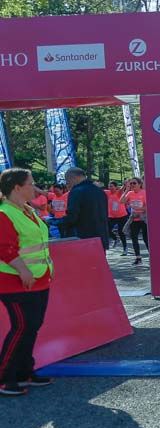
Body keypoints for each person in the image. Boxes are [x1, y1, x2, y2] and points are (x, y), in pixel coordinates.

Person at [0, 168, 54, 396]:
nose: (36, 187)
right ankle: (4, 378)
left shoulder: (27, 211)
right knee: (23, 326)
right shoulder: (4, 213)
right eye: (31, 183)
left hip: (38, 278)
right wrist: (23, 271)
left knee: (31, 327)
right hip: (15, 281)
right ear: (17, 187)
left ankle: (24, 373)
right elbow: (5, 248)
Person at [60, 167, 110, 250]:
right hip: (101, 237)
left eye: (67, 181)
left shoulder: (76, 191)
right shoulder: (100, 191)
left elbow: (72, 216)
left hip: (83, 239)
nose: (67, 184)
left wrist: (59, 222)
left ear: (73, 178)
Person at [121, 178, 148, 265]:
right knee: (134, 238)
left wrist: (139, 210)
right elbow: (121, 201)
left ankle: (153, 256)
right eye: (131, 183)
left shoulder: (144, 192)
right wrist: (127, 190)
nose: (132, 185)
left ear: (140, 184)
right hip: (134, 219)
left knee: (146, 239)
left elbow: (149, 206)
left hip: (144, 219)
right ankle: (138, 258)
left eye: (134, 183)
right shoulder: (130, 193)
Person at [106, 181, 129, 253]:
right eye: (109, 186)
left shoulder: (119, 193)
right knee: (107, 229)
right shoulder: (108, 193)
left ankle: (125, 248)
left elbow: (122, 189)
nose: (110, 188)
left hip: (121, 216)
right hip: (111, 216)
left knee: (121, 232)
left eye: (112, 186)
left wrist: (124, 185)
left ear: (116, 187)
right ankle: (116, 239)